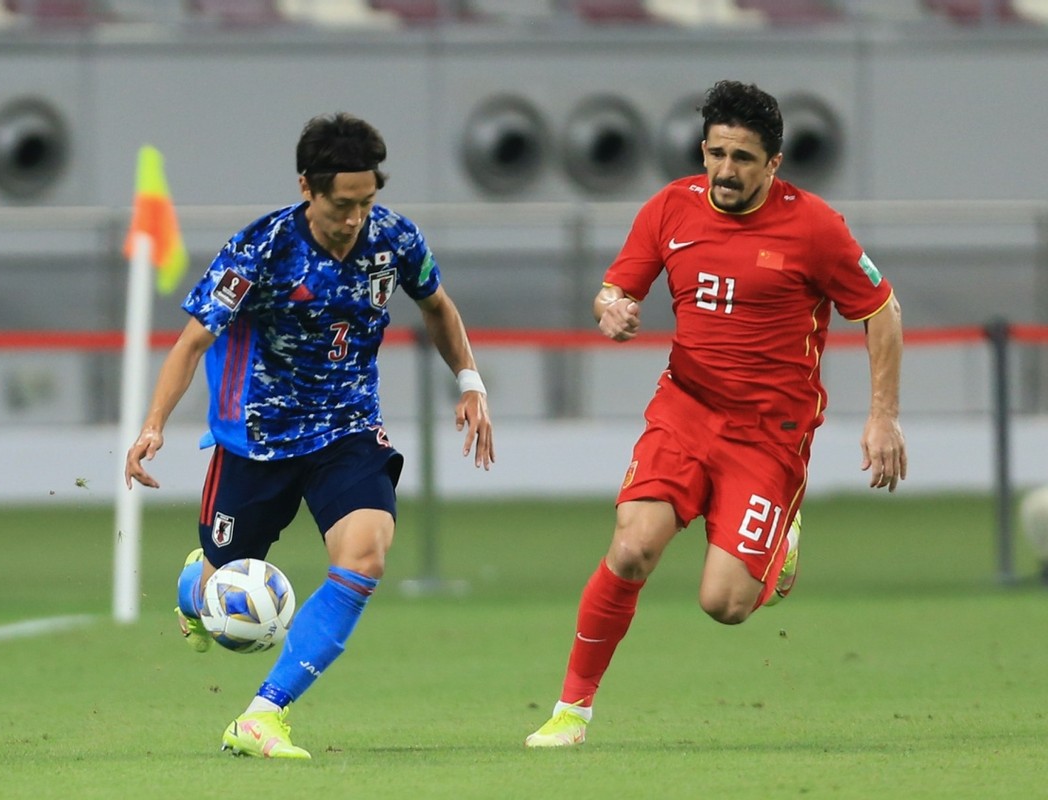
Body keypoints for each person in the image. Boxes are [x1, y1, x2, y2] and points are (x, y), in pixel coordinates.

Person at [524, 80, 906, 748]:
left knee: (724, 605)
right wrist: (612, 308)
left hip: (768, 435)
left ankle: (778, 543)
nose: (726, 170)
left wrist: (883, 417)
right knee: (632, 547)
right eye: (716, 153)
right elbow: (614, 287)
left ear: (774, 164)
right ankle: (571, 712)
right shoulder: (670, 208)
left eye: (743, 158)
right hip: (685, 411)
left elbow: (883, 310)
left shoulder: (814, 227)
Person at [124, 112, 495, 759]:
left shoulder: (394, 238)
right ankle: (194, 588)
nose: (354, 219)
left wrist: (470, 381)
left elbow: (437, 305)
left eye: (365, 202)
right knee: (220, 590)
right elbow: (192, 342)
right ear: (307, 188)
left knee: (366, 555)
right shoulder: (260, 249)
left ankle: (262, 715)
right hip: (257, 441)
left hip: (348, 430)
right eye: (341, 205)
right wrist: (153, 425)